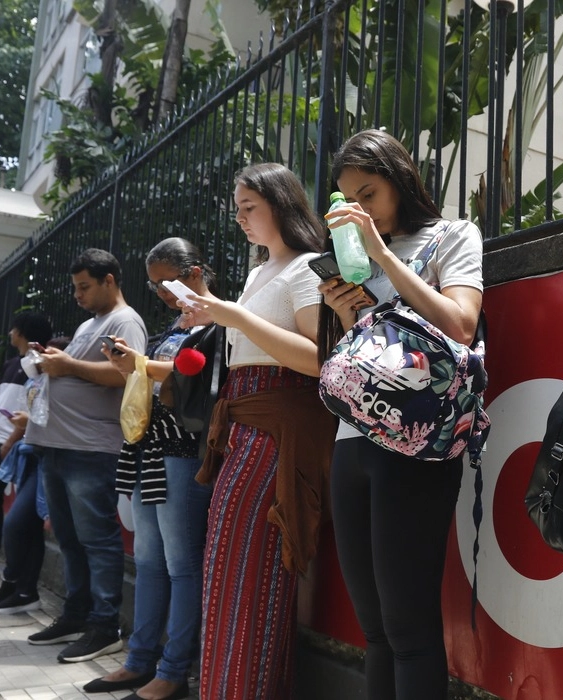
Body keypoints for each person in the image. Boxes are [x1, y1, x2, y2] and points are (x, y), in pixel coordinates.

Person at [316, 129, 484, 700]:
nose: (359, 210)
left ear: (400, 181)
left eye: (370, 194)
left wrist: (384, 255)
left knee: (409, 629)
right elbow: (366, 359)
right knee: (376, 632)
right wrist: (346, 315)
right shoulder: (353, 257)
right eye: (347, 200)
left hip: (417, 442)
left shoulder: (451, 236)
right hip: (352, 438)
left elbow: (461, 326)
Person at [179, 163, 335, 700]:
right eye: (238, 207)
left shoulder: (309, 268)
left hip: (276, 433)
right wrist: (216, 316)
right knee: (228, 569)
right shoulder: (258, 273)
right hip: (243, 425)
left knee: (249, 569)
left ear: (281, 205)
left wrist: (235, 318)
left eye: (250, 207)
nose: (240, 218)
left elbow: (321, 360)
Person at [81, 238, 218, 700]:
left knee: (180, 565)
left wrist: (141, 365)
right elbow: (156, 382)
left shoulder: (219, 320)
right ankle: (140, 661)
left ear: (195, 272)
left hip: (182, 451)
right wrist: (130, 367)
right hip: (148, 449)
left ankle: (173, 670)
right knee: (148, 562)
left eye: (168, 282)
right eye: (154, 284)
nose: (161, 292)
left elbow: (192, 384)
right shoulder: (175, 323)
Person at [24, 248, 147, 663]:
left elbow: (126, 374)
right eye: (75, 287)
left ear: (109, 280)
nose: (77, 295)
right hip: (61, 446)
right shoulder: (90, 323)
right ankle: (76, 615)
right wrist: (54, 362)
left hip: (91, 449)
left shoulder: (124, 321)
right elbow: (75, 367)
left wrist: (69, 366)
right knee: (72, 539)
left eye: (84, 286)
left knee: (96, 540)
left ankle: (104, 625)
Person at [0, 312, 52, 583]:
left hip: (1, 443)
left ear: (20, 331)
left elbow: (32, 407)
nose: (9, 334)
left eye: (12, 329)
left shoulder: (38, 364)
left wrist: (8, 443)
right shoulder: (11, 364)